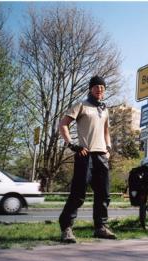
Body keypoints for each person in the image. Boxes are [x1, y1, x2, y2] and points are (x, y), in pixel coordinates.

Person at [58, 75, 116, 243]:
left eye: (103, 88)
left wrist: (108, 148)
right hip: (85, 154)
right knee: (78, 194)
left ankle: (100, 228)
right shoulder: (81, 105)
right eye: (97, 87)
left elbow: (106, 131)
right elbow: (63, 124)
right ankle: (66, 228)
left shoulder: (104, 109)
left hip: (101, 156)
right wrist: (71, 144)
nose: (100, 90)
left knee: (104, 194)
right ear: (91, 89)